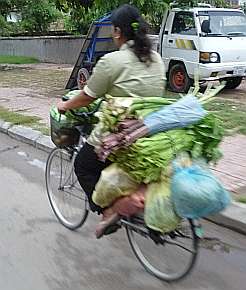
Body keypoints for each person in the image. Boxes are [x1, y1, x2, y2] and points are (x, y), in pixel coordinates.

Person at [57, 4, 166, 238]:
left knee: (83, 165)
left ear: (117, 32)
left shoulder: (111, 61)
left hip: (121, 134)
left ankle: (108, 212)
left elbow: (87, 96)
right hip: (151, 130)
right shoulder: (156, 58)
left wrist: (65, 105)